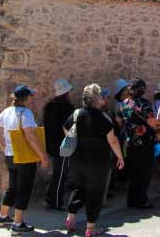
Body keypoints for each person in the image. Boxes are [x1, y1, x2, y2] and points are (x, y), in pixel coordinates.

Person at [64, 84, 125, 236]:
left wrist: (75, 140)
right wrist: (120, 157)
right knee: (95, 192)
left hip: (77, 159)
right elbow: (113, 141)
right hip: (98, 162)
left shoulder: (77, 114)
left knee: (78, 188)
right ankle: (90, 228)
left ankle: (70, 218)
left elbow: (66, 129)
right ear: (97, 99)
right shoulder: (103, 117)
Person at [0, 85, 49, 234]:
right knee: (24, 188)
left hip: (10, 154)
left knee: (12, 187)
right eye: (31, 96)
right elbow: (29, 135)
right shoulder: (26, 113)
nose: (32, 98)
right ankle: (18, 223)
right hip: (25, 156)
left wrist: (3, 146)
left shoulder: (7, 111)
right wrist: (42, 155)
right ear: (26, 98)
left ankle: (2, 216)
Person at [119, 78, 157, 209]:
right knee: (144, 172)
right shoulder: (144, 104)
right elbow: (151, 121)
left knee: (134, 172)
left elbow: (120, 120)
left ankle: (132, 200)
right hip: (144, 142)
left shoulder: (124, 103)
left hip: (130, 142)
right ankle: (141, 200)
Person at [43, 78, 75, 211]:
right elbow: (68, 127)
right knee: (61, 173)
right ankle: (56, 202)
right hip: (62, 145)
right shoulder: (67, 108)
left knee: (58, 172)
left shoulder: (49, 106)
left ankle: (50, 196)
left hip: (51, 144)